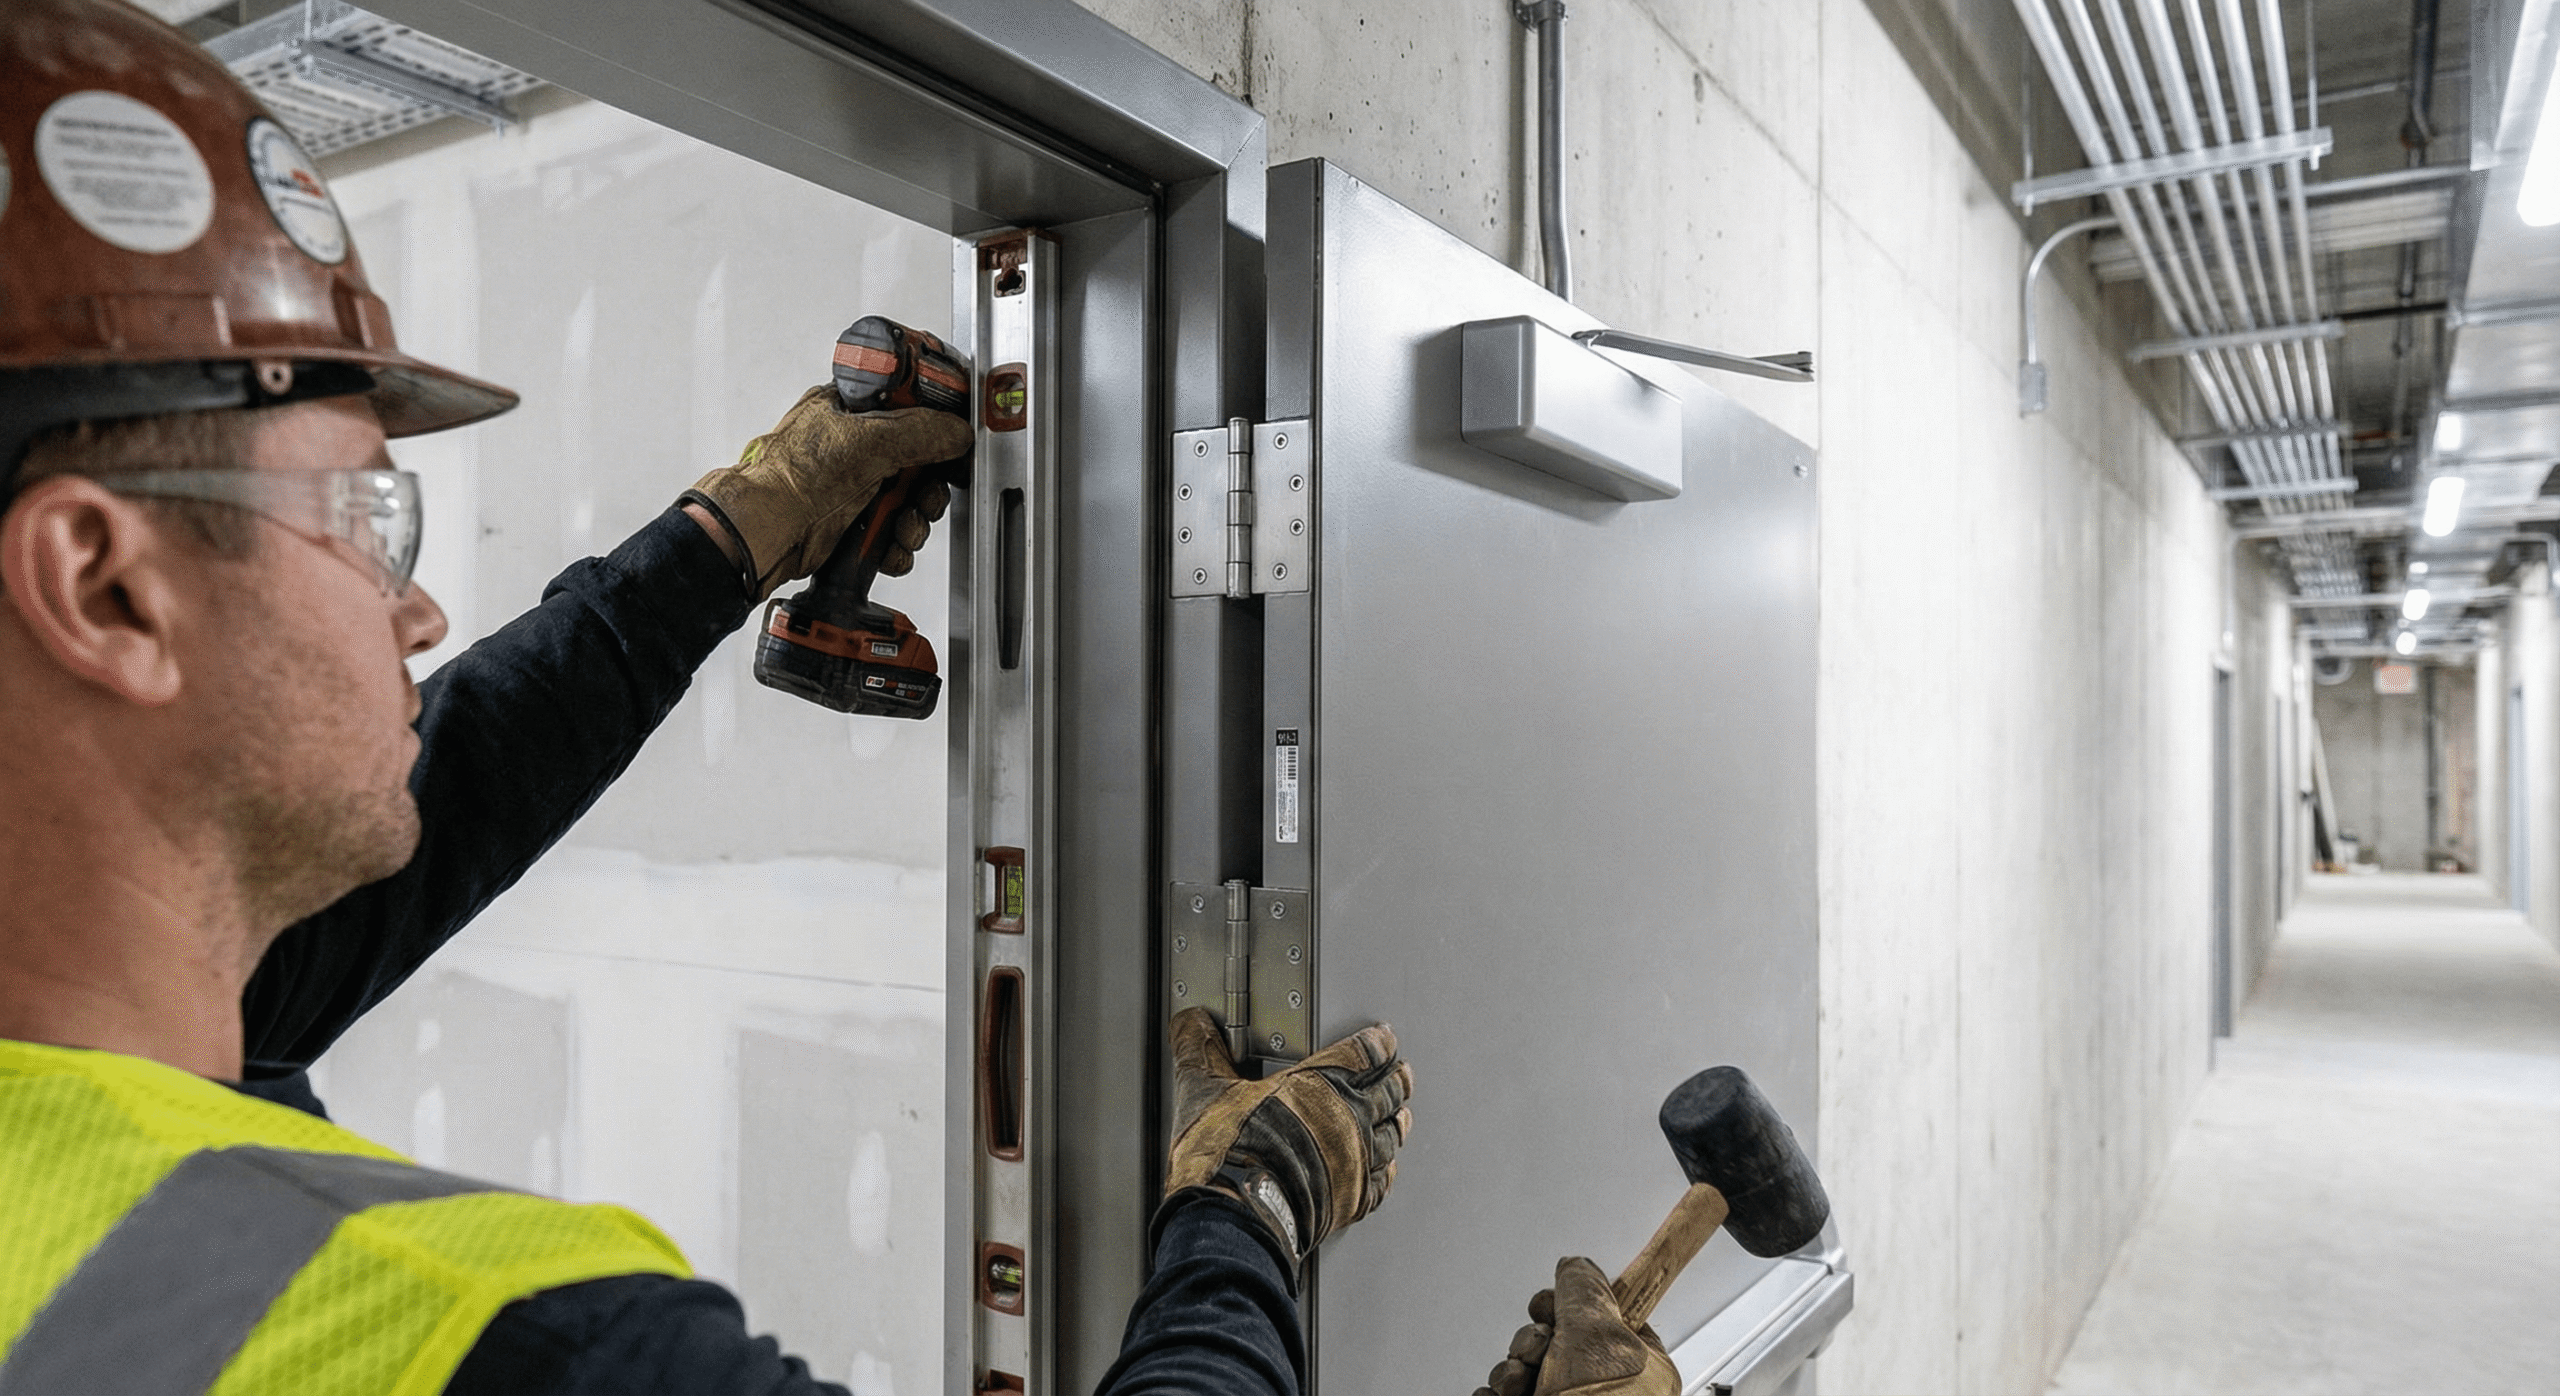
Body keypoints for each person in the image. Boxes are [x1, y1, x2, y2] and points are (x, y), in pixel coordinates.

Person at [0, 3, 1416, 1393]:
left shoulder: (107, 1041)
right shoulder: (499, 1340)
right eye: (370, 522)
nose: (415, 613)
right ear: (104, 587)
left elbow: (454, 787)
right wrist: (1248, 1211)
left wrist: (733, 534)